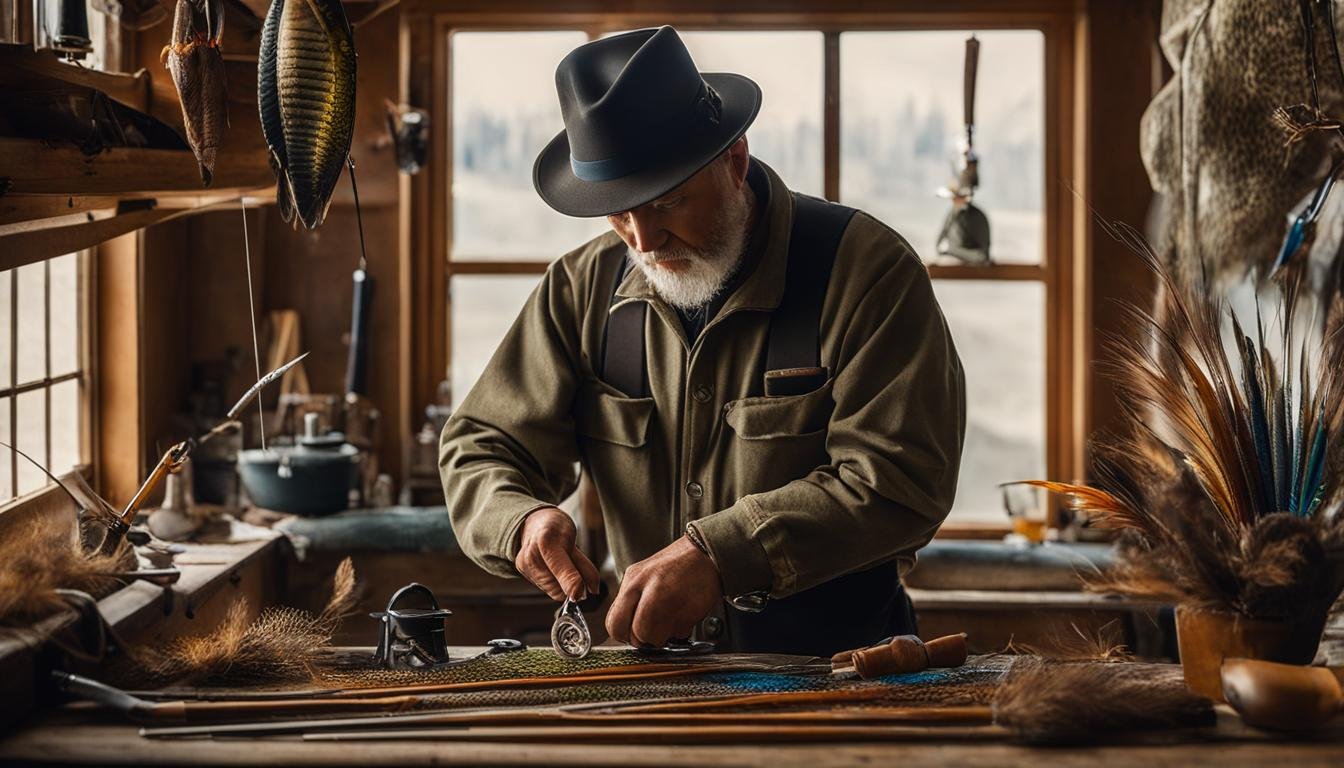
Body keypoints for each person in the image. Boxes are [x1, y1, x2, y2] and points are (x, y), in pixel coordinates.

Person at [441, 26, 966, 656]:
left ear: (735, 161)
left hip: (839, 675)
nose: (642, 241)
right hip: (650, 680)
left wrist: (725, 554)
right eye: (617, 213)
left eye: (667, 203)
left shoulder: (867, 274)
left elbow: (901, 481)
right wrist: (519, 521)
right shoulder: (580, 288)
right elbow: (480, 444)